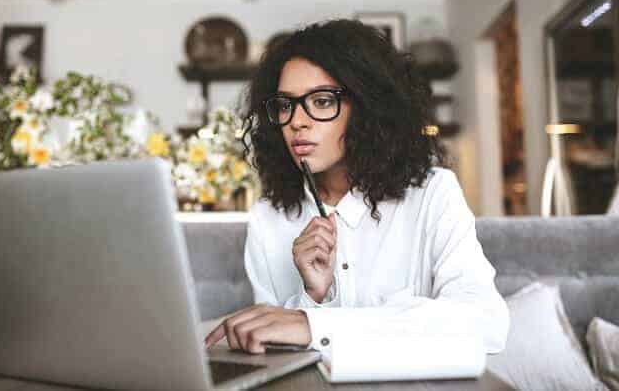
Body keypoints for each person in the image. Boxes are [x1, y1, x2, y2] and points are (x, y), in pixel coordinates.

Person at [205, 19, 509, 357]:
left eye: (321, 101)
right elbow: (269, 350)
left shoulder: (433, 194)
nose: (296, 121)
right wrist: (312, 299)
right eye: (285, 104)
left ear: (367, 108)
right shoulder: (268, 218)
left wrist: (313, 325)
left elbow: (486, 323)